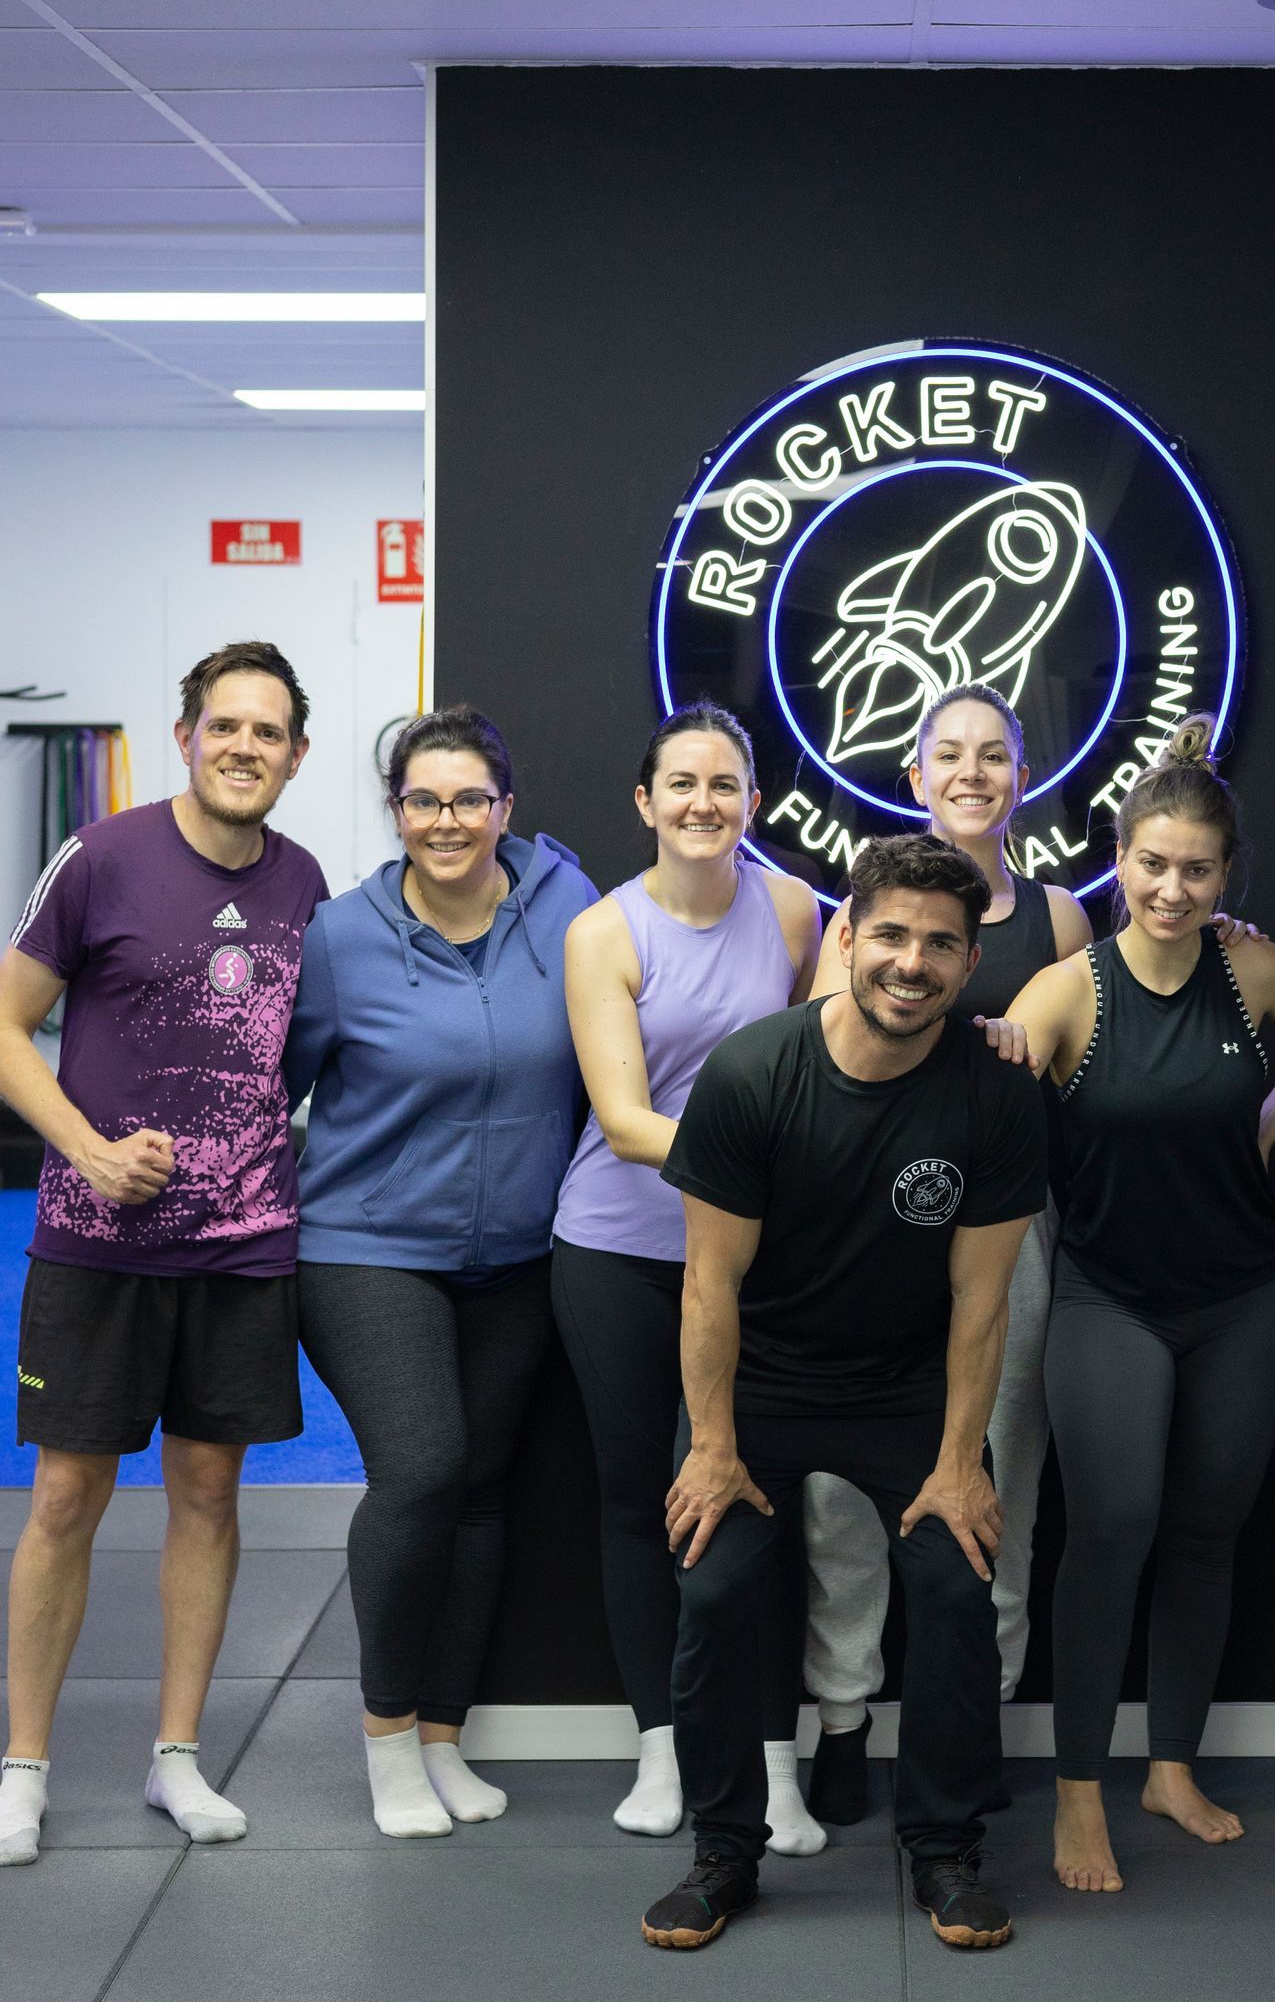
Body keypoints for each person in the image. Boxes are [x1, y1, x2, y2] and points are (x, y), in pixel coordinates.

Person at [642, 832, 1048, 1952]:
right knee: (716, 1588)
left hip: (909, 1387)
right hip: (761, 1381)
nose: (911, 963)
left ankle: (945, 1851)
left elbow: (983, 1304)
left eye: (941, 945)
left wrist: (962, 1460)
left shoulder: (997, 1099)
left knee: (961, 1586)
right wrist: (713, 1449)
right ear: (848, 937)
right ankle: (724, 1851)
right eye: (893, 936)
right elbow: (709, 1286)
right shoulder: (752, 1073)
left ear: (970, 967)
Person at [989, 718, 1275, 1893]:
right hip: (1113, 1301)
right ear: (1121, 855)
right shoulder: (1065, 993)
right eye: (1154, 863)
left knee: (1207, 1531)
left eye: (1198, 869)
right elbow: (980, 1106)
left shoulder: (1250, 971)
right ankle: (1081, 1792)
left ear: (1224, 876)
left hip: (1247, 1297)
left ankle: (1173, 1765)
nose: (1173, 888)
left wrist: (1262, 1131)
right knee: (1112, 1530)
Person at [0, 642, 325, 1865]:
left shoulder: (303, 883)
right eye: (226, 725)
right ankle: (22, 1767)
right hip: (97, 1244)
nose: (246, 748)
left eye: (270, 732)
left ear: (295, 756)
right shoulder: (102, 858)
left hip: (242, 1251)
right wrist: (85, 1149)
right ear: (186, 733)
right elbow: (5, 1025)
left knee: (208, 1491)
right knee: (69, 1498)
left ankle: (175, 1760)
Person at [284, 705, 597, 1839]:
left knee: (478, 1492)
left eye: (470, 799)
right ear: (397, 811)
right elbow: (275, 1084)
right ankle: (383, 1740)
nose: (448, 820)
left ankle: (442, 1735)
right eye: (424, 800)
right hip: (365, 1245)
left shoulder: (569, 903)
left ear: (506, 808)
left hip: (517, 1255)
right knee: (422, 1471)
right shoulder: (339, 936)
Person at [801, 682, 1092, 1822]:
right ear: (916, 775)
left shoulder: (1061, 917)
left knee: (997, 1476)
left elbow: (1088, 1061)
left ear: (1021, 777)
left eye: (994, 756)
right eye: (949, 756)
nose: (972, 773)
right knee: (840, 1491)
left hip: (1010, 1229)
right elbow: (834, 1049)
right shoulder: (863, 909)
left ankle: (966, 1725)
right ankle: (838, 1717)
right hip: (872, 1231)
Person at [550, 701, 820, 1848]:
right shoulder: (603, 935)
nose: (704, 803)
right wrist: (759, 1161)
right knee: (634, 1504)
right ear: (645, 802)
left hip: (759, 1263)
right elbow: (622, 1123)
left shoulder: (802, 911)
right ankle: (663, 1752)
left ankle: (773, 1768)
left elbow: (840, 1066)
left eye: (726, 783)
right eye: (682, 784)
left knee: (753, 1507)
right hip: (617, 1249)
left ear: (753, 799)